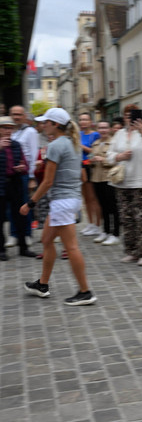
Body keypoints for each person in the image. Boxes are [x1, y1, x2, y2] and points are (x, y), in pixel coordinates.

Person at [22, 108, 97, 305]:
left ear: (55, 125)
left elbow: (47, 182)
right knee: (47, 240)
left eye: (45, 122)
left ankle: (85, 291)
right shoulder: (73, 143)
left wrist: (30, 203)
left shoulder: (56, 145)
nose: (42, 125)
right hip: (68, 200)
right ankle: (42, 284)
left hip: (62, 202)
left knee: (71, 247)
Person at [106, 104, 142, 266]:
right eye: (126, 115)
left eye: (132, 115)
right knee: (126, 218)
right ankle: (131, 251)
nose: (129, 118)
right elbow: (109, 155)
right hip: (122, 183)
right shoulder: (119, 134)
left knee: (141, 218)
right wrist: (119, 156)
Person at [0, 116, 36, 261]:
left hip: (14, 182)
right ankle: (1, 250)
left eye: (10, 128)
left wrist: (22, 168)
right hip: (1, 184)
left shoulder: (16, 144)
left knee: (20, 215)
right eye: (5, 128)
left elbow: (25, 164)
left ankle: (23, 247)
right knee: (0, 219)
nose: (8, 131)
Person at [5, 105, 39, 247]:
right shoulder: (8, 132)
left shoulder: (30, 131)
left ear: (24, 115)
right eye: (14, 114)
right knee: (10, 206)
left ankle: (26, 234)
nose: (16, 116)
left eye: (19, 114)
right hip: (9, 175)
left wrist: (31, 177)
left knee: (25, 205)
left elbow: (33, 153)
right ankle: (13, 234)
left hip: (24, 175)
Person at [90, 121, 120, 246]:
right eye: (100, 128)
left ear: (109, 129)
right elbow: (92, 160)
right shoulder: (95, 143)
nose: (103, 130)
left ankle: (115, 233)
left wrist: (103, 159)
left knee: (113, 207)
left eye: (105, 127)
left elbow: (117, 161)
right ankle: (105, 231)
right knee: (103, 207)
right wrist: (92, 160)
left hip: (109, 178)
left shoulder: (114, 143)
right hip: (97, 179)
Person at [79, 112, 102, 236]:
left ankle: (98, 225)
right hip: (80, 166)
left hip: (91, 166)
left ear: (90, 122)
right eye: (81, 119)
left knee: (93, 198)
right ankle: (90, 223)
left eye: (85, 119)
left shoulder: (95, 135)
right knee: (86, 198)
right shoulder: (78, 134)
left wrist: (81, 146)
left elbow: (95, 151)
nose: (83, 122)